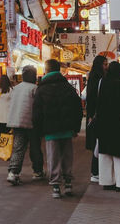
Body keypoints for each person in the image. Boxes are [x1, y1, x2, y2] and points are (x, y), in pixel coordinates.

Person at [33, 59, 83, 198]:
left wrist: (38, 131)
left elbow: (36, 113)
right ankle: (68, 184)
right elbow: (78, 108)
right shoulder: (68, 87)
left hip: (50, 131)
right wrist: (75, 128)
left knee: (53, 157)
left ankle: (56, 186)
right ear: (58, 70)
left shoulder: (41, 89)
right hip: (67, 129)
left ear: (46, 70)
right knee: (67, 156)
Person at [96, 61, 120, 192]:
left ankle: (107, 182)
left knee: (105, 153)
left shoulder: (103, 82)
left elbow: (97, 101)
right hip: (119, 121)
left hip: (103, 122)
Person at [6, 65, 43, 185]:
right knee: (35, 148)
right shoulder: (35, 88)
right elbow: (38, 107)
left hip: (16, 122)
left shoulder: (16, 88)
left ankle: (13, 172)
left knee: (18, 148)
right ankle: (37, 172)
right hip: (31, 123)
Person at [85, 55, 108, 183]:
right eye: (104, 64)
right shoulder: (97, 79)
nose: (106, 66)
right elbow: (92, 99)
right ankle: (95, 172)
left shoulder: (96, 77)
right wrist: (91, 116)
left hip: (95, 116)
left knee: (98, 145)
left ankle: (97, 171)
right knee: (97, 145)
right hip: (96, 116)